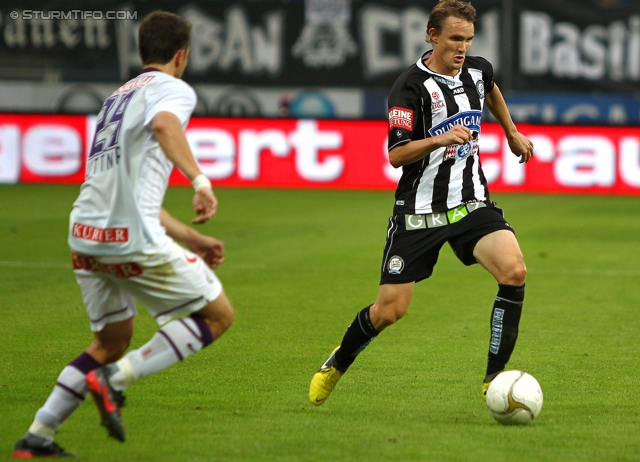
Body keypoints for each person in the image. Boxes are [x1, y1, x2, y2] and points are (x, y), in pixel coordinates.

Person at [13, 11, 234, 458]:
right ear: (182, 55)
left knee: (111, 341)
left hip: (85, 234)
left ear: (141, 52)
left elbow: (131, 192)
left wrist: (192, 239)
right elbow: (165, 126)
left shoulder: (116, 97)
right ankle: (113, 379)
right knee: (216, 315)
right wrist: (199, 180)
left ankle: (38, 434)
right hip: (127, 236)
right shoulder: (172, 89)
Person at [309, 0, 534, 407]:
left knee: (514, 270)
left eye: (467, 39)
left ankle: (493, 379)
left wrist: (511, 132)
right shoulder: (410, 87)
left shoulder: (477, 70)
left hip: (470, 202)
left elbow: (490, 88)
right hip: (419, 212)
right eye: (454, 39)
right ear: (432, 36)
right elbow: (396, 155)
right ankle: (338, 362)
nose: (462, 47)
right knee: (389, 311)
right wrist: (439, 139)